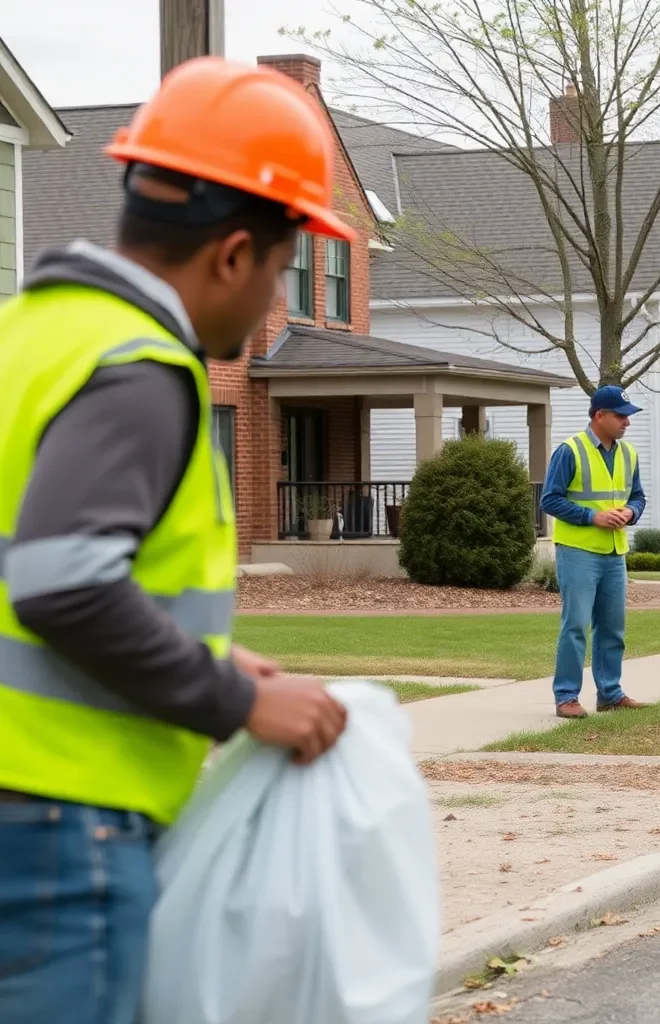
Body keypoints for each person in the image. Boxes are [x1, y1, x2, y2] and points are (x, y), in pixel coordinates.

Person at [0, 57, 357, 1024]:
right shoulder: (141, 367)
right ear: (235, 254)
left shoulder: (26, 337)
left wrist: (198, 646)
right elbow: (60, 580)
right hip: (58, 828)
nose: (275, 302)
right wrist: (234, 698)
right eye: (284, 272)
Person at [540, 385, 651, 719]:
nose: (626, 424)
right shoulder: (569, 451)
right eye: (620, 416)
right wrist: (593, 516)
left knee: (612, 627)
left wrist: (632, 512)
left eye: (628, 417)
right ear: (599, 415)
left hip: (614, 553)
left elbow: (639, 497)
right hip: (578, 551)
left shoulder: (628, 454)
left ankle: (611, 693)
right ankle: (566, 697)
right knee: (575, 625)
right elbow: (549, 499)